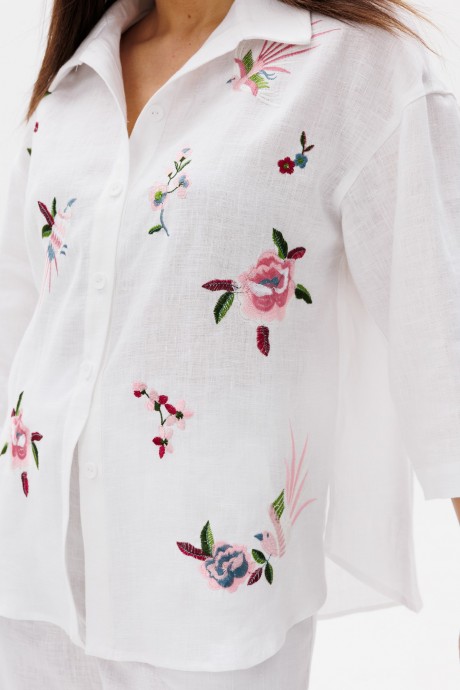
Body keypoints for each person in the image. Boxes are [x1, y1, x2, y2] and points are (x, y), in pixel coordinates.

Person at [0, 0, 459, 687]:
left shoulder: (358, 70)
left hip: (214, 618)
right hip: (31, 592)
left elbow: (443, 349)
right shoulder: (70, 88)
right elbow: (20, 324)